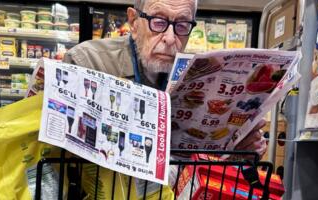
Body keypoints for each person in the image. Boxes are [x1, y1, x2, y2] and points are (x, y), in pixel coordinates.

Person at [63, 0, 267, 158]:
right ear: (134, 23)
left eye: (182, 25)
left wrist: (239, 149)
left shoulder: (195, 74)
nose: (170, 38)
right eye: (159, 22)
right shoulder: (87, 61)